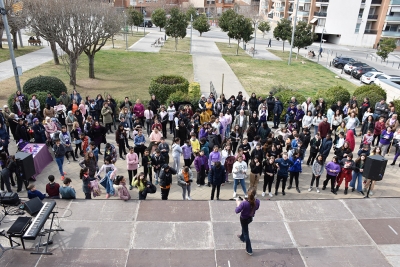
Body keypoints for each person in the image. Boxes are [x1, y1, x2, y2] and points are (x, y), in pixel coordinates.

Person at [235, 187, 260, 256]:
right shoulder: (257, 201)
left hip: (244, 219)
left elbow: (237, 211)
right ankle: (242, 237)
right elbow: (256, 207)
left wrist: (238, 203)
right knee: (244, 228)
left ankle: (249, 249)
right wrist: (244, 201)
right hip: (251, 218)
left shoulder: (244, 203)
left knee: (246, 233)